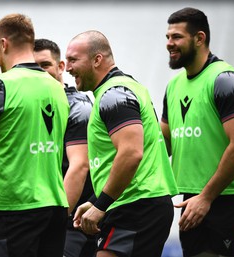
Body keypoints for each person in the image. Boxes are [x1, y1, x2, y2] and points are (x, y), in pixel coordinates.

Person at [65, 30, 178, 257]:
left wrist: (100, 205)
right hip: (137, 203)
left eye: (73, 60)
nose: (67, 68)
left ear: (97, 60)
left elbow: (132, 153)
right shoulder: (124, 87)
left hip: (136, 206)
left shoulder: (113, 94)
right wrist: (97, 200)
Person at [161, 7, 234, 257]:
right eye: (167, 37)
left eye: (176, 37)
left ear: (200, 38)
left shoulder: (225, 80)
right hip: (192, 199)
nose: (169, 44)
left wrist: (206, 198)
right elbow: (165, 143)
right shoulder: (174, 85)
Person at [0, 13, 70, 257]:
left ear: (4, 44)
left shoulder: (0, 86)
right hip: (55, 205)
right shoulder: (57, 88)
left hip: (15, 208)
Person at [33, 38, 96, 257]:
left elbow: (79, 166)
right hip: (40, 217)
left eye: (45, 65)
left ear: (61, 67)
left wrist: (57, 222)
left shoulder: (78, 107)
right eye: (34, 67)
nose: (40, 73)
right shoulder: (31, 106)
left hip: (72, 219)